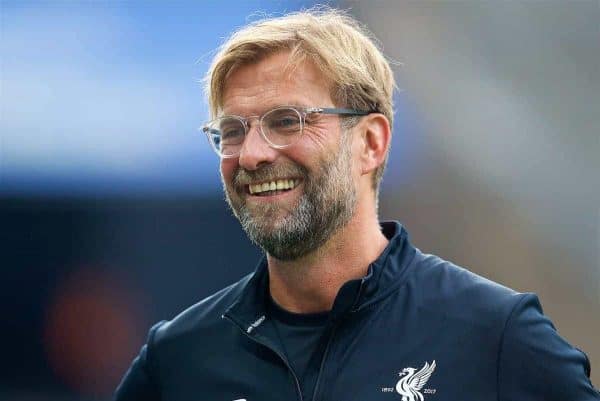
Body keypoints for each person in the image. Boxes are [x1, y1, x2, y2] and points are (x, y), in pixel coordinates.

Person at [115, 8, 599, 401]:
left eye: (287, 121)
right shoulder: (179, 357)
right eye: (233, 131)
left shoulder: (495, 335)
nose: (253, 153)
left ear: (370, 142)